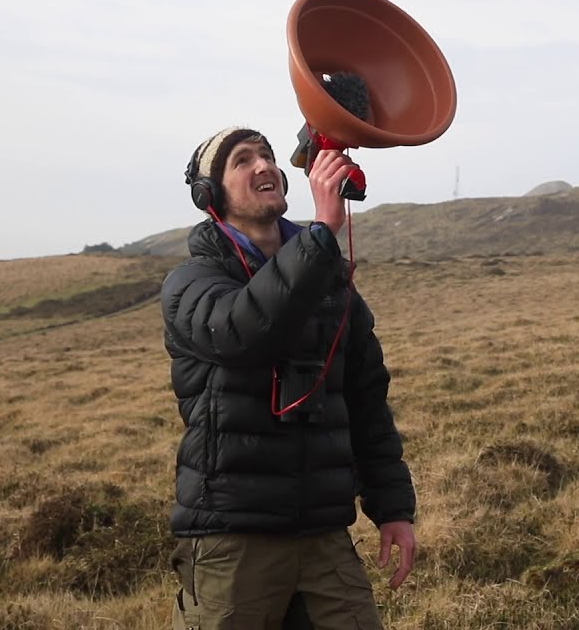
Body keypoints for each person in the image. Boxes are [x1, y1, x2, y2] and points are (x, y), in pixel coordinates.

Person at [161, 127, 417, 630]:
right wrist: (322, 231)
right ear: (208, 195)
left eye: (268, 156)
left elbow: (366, 401)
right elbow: (244, 329)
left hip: (323, 535)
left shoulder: (329, 282)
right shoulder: (191, 284)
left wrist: (393, 508)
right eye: (242, 160)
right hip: (233, 539)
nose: (263, 166)